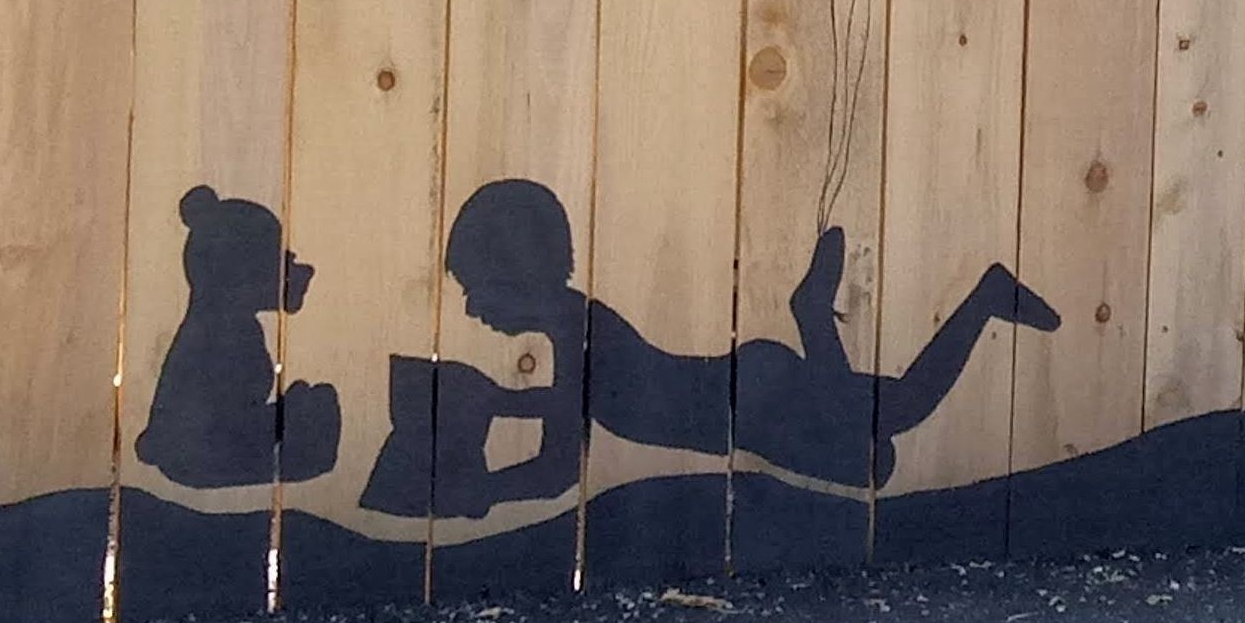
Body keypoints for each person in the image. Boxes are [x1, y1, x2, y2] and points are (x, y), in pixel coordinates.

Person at [360, 179, 1060, 516]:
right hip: (747, 395)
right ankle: (812, 313)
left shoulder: (575, 328)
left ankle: (984, 299)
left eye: (478, 288)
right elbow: (563, 414)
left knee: (898, 412)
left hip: (754, 398)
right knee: (873, 460)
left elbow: (555, 468)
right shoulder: (571, 325)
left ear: (518, 275)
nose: (473, 308)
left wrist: (469, 492)